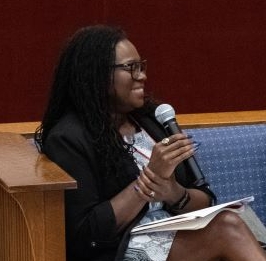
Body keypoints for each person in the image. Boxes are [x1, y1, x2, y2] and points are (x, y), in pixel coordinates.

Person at [34, 25, 266, 261]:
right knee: (227, 228)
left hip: (175, 233)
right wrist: (148, 181)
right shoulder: (69, 138)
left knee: (232, 220)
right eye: (130, 68)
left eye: (141, 66)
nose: (142, 76)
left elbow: (204, 197)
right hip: (118, 249)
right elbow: (86, 233)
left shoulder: (151, 121)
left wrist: (174, 193)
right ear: (96, 74)